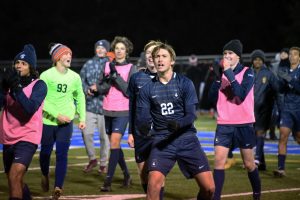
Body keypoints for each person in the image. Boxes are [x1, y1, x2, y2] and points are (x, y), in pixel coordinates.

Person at [136, 43, 215, 200]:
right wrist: (144, 127)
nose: (160, 59)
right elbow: (143, 117)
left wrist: (178, 124)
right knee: (153, 186)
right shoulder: (147, 89)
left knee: (209, 189)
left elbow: (191, 115)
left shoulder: (185, 83)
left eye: (164, 56)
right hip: (162, 141)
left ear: (172, 61)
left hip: (186, 139)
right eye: (156, 57)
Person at [209, 39, 261, 200]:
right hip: (224, 124)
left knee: (249, 164)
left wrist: (229, 74)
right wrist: (218, 78)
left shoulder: (248, 72)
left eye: (230, 53)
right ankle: (216, 197)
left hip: (244, 124)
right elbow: (210, 98)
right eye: (225, 53)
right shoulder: (223, 74)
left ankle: (257, 195)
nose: (227, 56)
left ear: (238, 56)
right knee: (218, 162)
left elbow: (240, 95)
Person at [39, 43, 86, 199]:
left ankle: (58, 186)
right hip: (48, 122)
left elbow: (80, 97)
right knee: (45, 154)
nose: (69, 57)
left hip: (66, 124)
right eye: (66, 54)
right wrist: (56, 114)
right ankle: (44, 174)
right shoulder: (46, 75)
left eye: (70, 54)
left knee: (62, 154)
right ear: (57, 57)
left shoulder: (75, 77)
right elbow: (41, 100)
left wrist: (82, 117)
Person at [0, 44, 47, 200]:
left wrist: (17, 88)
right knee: (14, 180)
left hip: (27, 136)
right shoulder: (11, 84)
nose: (19, 66)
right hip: (8, 137)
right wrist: (3, 87)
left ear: (31, 67)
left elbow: (29, 109)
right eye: (17, 63)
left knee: (14, 175)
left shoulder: (39, 85)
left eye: (24, 63)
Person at [92, 36, 137, 192]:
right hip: (107, 109)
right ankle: (126, 175)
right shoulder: (107, 65)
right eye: (116, 48)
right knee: (115, 146)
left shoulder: (132, 68)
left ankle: (108, 182)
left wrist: (115, 76)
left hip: (122, 111)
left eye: (122, 48)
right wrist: (95, 89)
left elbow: (128, 91)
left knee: (115, 143)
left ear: (127, 51)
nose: (119, 51)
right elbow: (103, 87)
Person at [127, 40, 165, 197]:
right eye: (148, 53)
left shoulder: (166, 77)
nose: (151, 56)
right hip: (140, 133)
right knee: (143, 174)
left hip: (160, 133)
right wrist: (130, 132)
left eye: (154, 53)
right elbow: (132, 107)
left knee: (157, 176)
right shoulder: (136, 78)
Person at [80, 39, 110, 174]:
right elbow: (80, 80)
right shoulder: (88, 64)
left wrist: (98, 88)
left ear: (107, 50)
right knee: (86, 133)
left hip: (106, 105)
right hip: (90, 105)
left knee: (105, 137)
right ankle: (92, 159)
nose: (100, 50)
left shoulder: (110, 64)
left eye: (103, 48)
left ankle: (103, 163)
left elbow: (112, 83)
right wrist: (86, 89)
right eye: (98, 47)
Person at [273, 46, 300, 177]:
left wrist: (290, 79)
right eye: (290, 54)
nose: (292, 56)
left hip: (299, 110)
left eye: (295, 54)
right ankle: (281, 168)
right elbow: (281, 90)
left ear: (299, 57)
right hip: (287, 109)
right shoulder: (285, 70)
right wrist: (280, 82)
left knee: (298, 137)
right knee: (283, 136)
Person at [251, 49, 279, 171]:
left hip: (264, 110)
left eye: (259, 59)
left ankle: (256, 159)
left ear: (263, 61)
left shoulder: (269, 74)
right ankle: (262, 163)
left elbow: (277, 90)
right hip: (249, 110)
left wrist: (276, 108)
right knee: (253, 136)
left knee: (260, 133)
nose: (257, 61)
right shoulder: (247, 73)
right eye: (255, 59)